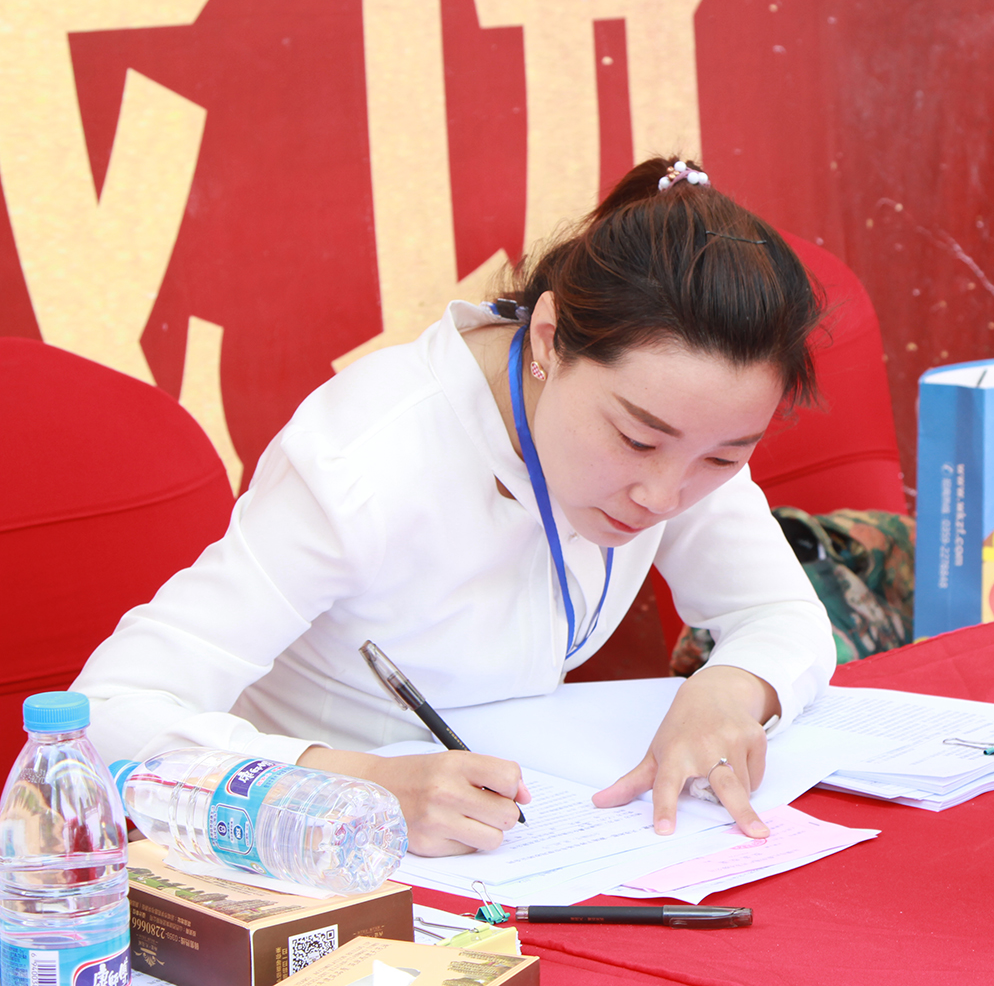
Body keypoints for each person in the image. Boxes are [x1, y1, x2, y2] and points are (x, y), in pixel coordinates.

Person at [75, 157, 836, 856]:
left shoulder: (682, 423)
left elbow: (779, 613)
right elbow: (106, 715)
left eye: (724, 458)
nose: (664, 496)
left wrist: (729, 690)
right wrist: (359, 785)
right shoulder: (362, 460)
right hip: (316, 865)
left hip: (520, 839)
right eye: (637, 440)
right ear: (548, 340)